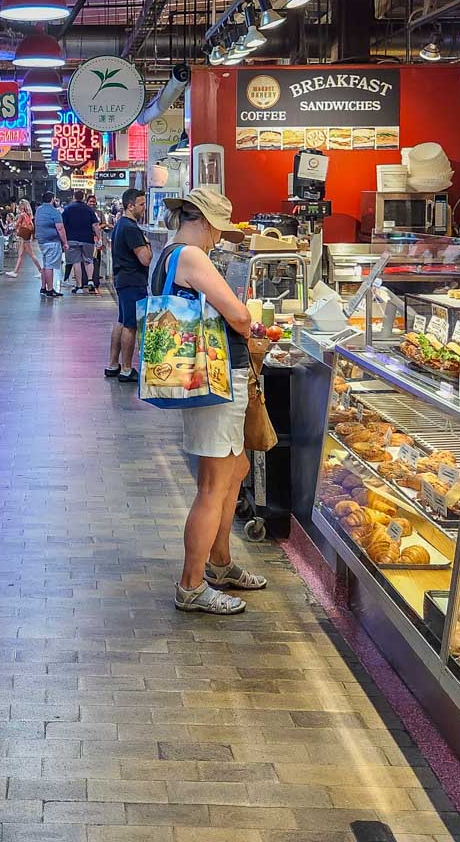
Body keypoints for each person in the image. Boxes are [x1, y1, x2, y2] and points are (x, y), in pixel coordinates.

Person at [148, 188, 263, 616]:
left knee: (236, 469)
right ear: (204, 221)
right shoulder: (191, 255)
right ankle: (192, 585)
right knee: (213, 486)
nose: (219, 238)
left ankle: (220, 562)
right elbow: (239, 315)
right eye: (218, 229)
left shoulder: (169, 253)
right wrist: (249, 321)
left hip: (211, 380)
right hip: (215, 379)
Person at [106, 188, 151, 382]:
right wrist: (147, 243)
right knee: (131, 325)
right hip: (133, 281)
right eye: (141, 204)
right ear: (130, 206)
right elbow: (145, 259)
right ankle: (126, 369)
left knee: (122, 321)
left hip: (122, 279)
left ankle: (113, 365)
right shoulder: (131, 228)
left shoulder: (120, 225)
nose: (144, 208)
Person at [62, 189, 101, 294]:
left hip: (72, 239)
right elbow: (95, 225)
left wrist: (63, 240)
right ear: (83, 198)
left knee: (76, 262)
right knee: (89, 260)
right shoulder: (89, 209)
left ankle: (79, 287)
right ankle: (90, 281)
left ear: (74, 197)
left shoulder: (67, 209)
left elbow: (62, 225)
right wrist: (99, 238)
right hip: (87, 239)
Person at [35, 190, 68, 297]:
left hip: (41, 241)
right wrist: (65, 242)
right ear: (52, 199)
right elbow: (60, 228)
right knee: (50, 266)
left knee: (45, 265)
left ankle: (43, 287)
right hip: (52, 241)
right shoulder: (54, 212)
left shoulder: (39, 210)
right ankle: (50, 290)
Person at [7, 198, 42, 280]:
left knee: (31, 254)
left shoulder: (22, 215)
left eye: (20, 205)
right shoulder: (28, 215)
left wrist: (12, 226)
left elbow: (16, 224)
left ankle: (41, 271)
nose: (18, 206)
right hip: (26, 236)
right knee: (21, 254)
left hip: (23, 236)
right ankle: (15, 272)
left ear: (22, 206)